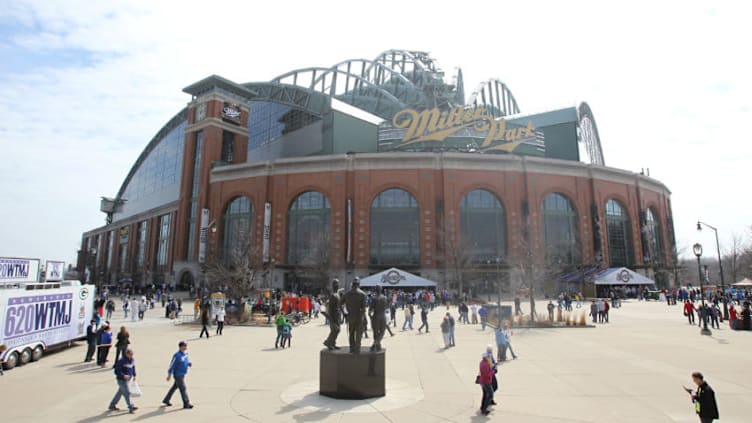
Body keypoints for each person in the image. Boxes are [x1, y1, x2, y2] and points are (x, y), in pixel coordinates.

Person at [163, 341, 194, 409]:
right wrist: (169, 374)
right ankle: (186, 403)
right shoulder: (177, 355)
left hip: (183, 374)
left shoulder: (185, 354)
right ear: (180, 347)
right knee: (183, 388)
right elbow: (172, 365)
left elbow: (185, 361)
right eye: (184, 346)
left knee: (174, 387)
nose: (185, 347)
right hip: (178, 375)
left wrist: (188, 364)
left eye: (186, 346)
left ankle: (166, 400)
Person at [108, 348, 137, 413]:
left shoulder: (132, 360)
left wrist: (134, 375)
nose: (131, 356)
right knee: (127, 393)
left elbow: (133, 367)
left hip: (128, 379)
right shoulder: (122, 361)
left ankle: (112, 405)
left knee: (120, 393)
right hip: (121, 380)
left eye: (132, 354)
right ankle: (131, 406)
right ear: (126, 354)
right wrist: (123, 375)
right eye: (130, 354)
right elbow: (117, 371)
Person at [343, 277, 367, 354]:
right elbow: (363, 308)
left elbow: (339, 304)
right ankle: (357, 348)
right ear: (359, 284)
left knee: (351, 333)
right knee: (359, 333)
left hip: (350, 316)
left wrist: (344, 314)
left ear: (352, 285)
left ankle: (351, 348)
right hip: (359, 316)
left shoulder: (347, 294)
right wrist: (364, 318)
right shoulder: (363, 294)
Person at [478, 349, 495, 416]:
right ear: (486, 357)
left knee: (485, 394)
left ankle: (482, 407)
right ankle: (484, 409)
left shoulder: (482, 362)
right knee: (490, 394)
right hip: (486, 381)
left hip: (483, 381)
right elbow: (487, 374)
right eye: (488, 356)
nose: (489, 357)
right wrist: (493, 371)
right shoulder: (485, 364)